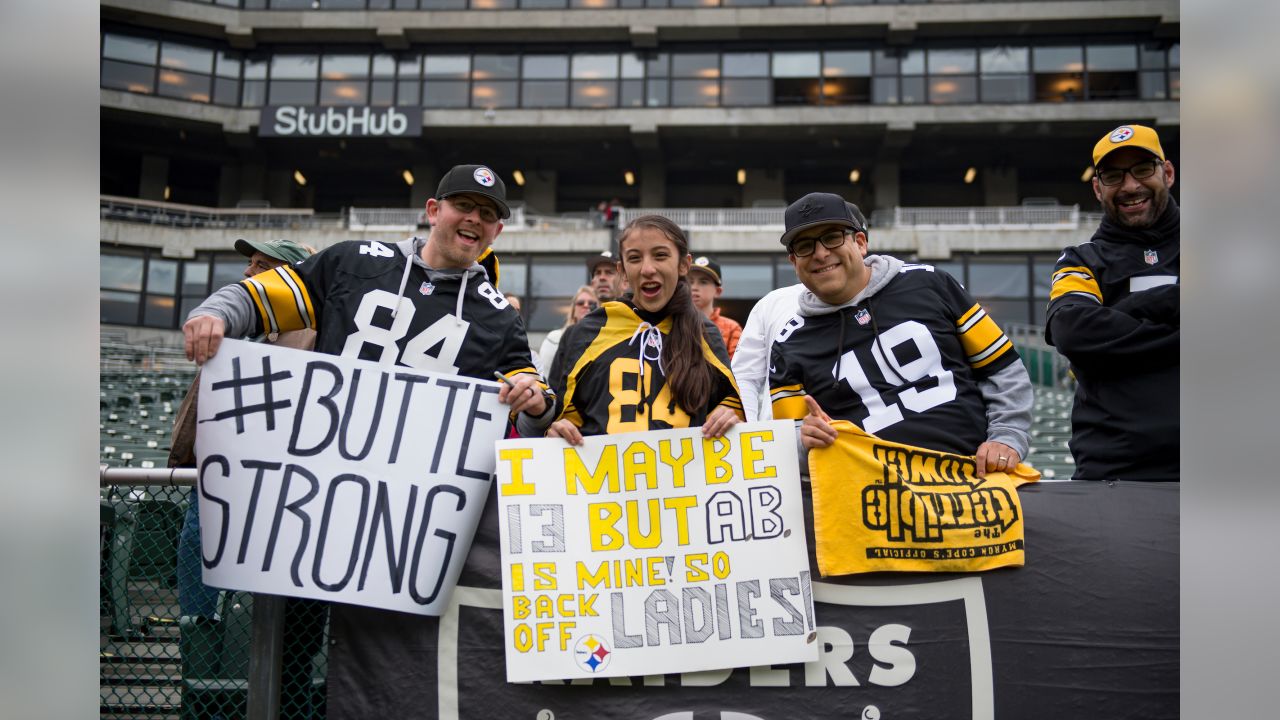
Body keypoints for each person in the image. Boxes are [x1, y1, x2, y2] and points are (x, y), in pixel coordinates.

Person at [181, 164, 555, 718]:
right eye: (463, 205)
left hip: (402, 523)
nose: (474, 219)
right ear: (434, 210)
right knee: (293, 645)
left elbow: (530, 401)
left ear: (497, 232)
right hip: (316, 497)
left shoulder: (499, 317)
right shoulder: (354, 261)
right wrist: (215, 313)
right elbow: (263, 296)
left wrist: (534, 400)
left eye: (489, 214)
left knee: (386, 662)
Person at [767, 192, 1032, 477]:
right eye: (805, 246)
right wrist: (804, 443)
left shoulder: (931, 284)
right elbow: (787, 440)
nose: (820, 253)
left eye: (832, 237)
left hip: (970, 478)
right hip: (871, 498)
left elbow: (1002, 369)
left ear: (860, 243)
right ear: (794, 262)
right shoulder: (788, 344)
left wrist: (1006, 436)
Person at [1045, 124, 1179, 481]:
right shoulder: (1080, 260)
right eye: (1114, 175)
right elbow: (1072, 331)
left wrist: (1120, 315)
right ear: (1097, 187)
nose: (1130, 185)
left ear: (1167, 173)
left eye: (1142, 169)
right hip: (1114, 472)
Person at [548, 214, 743, 444]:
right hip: (603, 478)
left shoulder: (706, 335)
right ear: (622, 270)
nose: (647, 269)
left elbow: (731, 407)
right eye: (634, 258)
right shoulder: (585, 333)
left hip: (687, 478)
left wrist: (731, 417)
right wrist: (556, 430)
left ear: (683, 265)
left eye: (660, 255)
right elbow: (561, 416)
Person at [547, 251, 625, 396]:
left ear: (624, 280)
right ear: (593, 282)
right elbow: (557, 387)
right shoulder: (574, 333)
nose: (602, 277)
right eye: (597, 273)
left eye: (609, 272)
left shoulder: (638, 327)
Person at [688, 255, 743, 358]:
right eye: (690, 282)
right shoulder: (673, 323)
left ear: (718, 291)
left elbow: (737, 369)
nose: (694, 287)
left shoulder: (732, 328)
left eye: (703, 282)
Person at [539, 285, 597, 366]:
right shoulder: (554, 338)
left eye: (591, 303)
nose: (586, 305)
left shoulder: (606, 339)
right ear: (573, 310)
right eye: (580, 303)